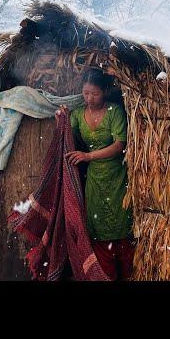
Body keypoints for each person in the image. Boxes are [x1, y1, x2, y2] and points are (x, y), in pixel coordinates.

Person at [55, 70, 135, 281]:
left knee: (120, 223)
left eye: (95, 94)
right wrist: (61, 120)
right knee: (97, 227)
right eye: (86, 93)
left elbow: (120, 144)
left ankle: (125, 272)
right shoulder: (79, 114)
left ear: (105, 92)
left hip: (117, 176)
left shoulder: (114, 111)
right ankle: (104, 274)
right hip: (94, 179)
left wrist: (89, 155)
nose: (90, 98)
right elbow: (68, 137)